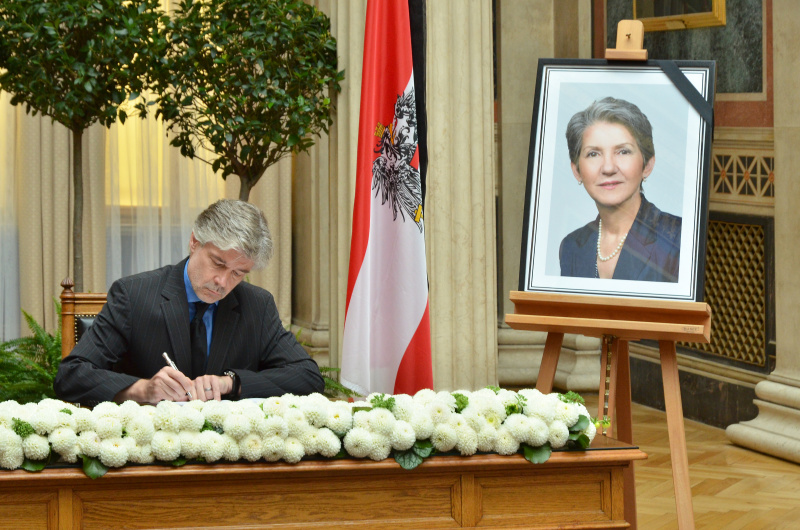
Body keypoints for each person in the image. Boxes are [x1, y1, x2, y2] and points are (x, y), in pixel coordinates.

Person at [54, 199, 325, 406]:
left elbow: (307, 376)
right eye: (218, 263)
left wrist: (231, 382)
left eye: (238, 273)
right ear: (195, 242)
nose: (222, 282)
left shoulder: (257, 305)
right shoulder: (133, 295)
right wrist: (142, 389)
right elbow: (71, 376)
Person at [559, 97, 681, 282]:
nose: (608, 168)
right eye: (593, 154)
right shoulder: (571, 246)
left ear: (647, 165)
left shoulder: (679, 239)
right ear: (577, 171)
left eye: (623, 151)